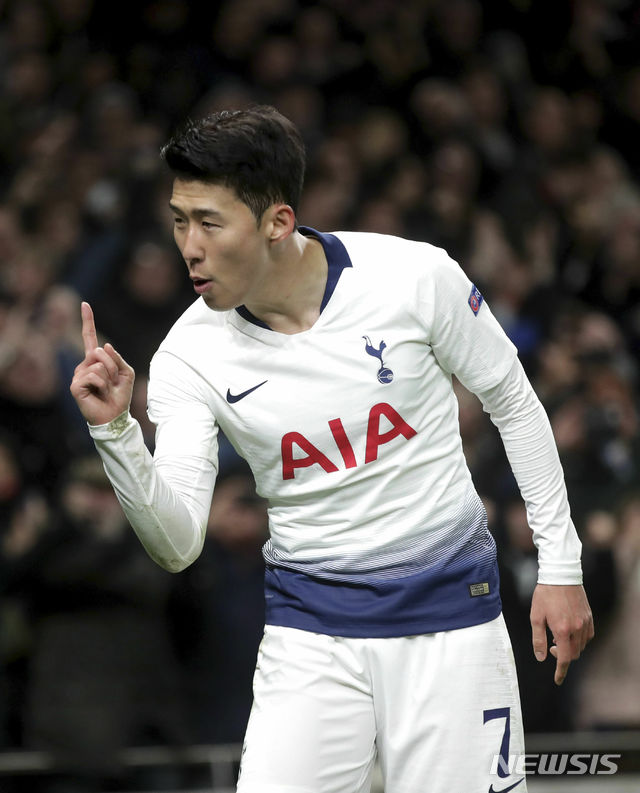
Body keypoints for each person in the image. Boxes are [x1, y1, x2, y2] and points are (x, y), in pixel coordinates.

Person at [70, 105, 593, 793]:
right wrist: (117, 435)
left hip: (451, 623)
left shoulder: (413, 277)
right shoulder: (187, 357)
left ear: (277, 223)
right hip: (311, 638)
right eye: (179, 219)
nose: (188, 246)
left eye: (209, 222)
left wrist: (561, 564)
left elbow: (515, 405)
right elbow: (177, 543)